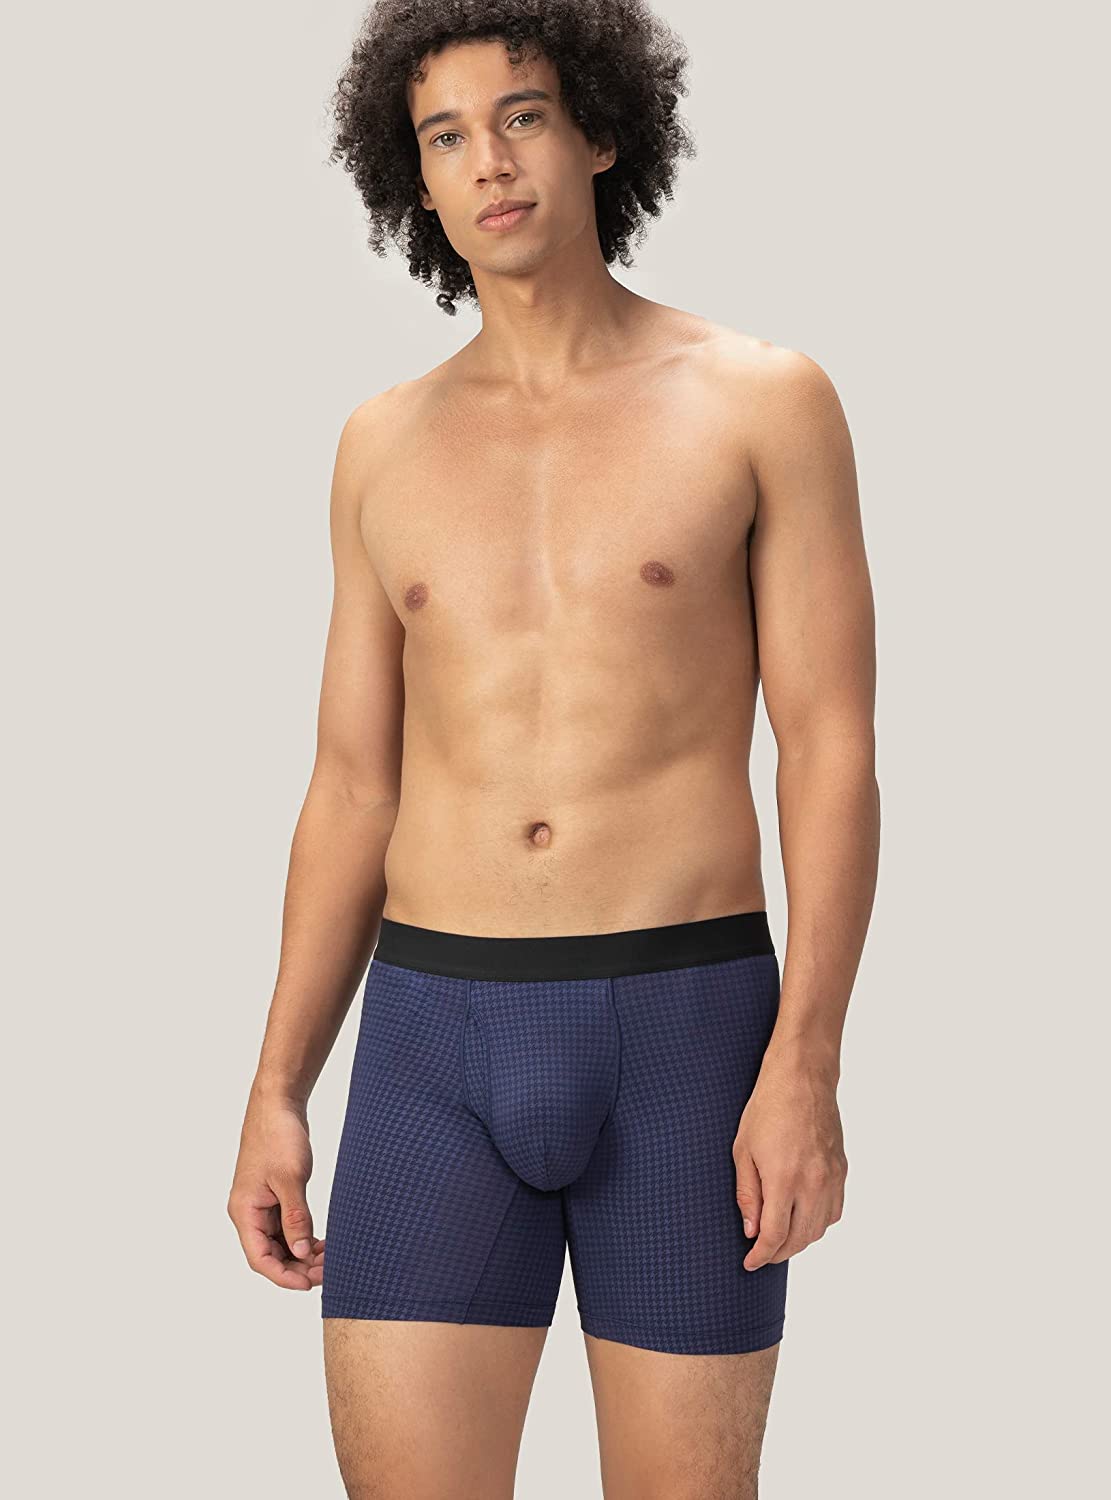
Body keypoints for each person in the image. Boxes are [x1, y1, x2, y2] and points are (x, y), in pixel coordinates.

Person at [228, 2, 880, 1495]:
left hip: (686, 1030)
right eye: (444, 136)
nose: (489, 163)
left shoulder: (760, 401)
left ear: (598, 130)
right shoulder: (382, 443)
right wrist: (277, 1083)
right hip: (431, 1038)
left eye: (520, 116)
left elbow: (830, 749)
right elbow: (353, 786)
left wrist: (808, 1059)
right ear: (412, 178)